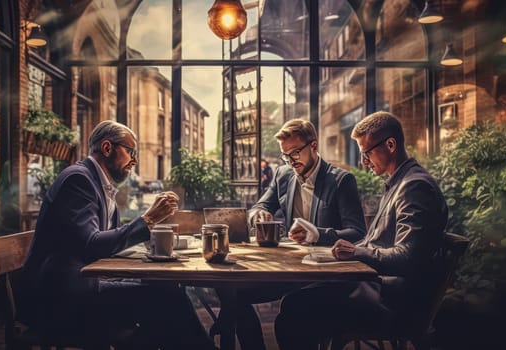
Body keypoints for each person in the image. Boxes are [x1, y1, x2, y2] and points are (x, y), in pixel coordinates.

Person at [23, 120, 216, 349]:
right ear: (107, 148)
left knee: (165, 295)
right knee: (169, 301)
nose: (134, 160)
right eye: (130, 151)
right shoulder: (79, 180)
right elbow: (92, 245)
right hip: (61, 301)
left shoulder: (98, 183)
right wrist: (149, 219)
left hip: (83, 287)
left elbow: (107, 243)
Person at [274, 111, 449, 350]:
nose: (363, 161)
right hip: (378, 290)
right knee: (297, 301)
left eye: (366, 152)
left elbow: (408, 258)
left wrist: (356, 253)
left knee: (295, 308)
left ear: (390, 144)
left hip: (390, 303)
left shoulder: (414, 186)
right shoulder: (401, 182)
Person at [215, 118, 366, 349]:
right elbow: (260, 205)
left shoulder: (341, 181)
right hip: (290, 270)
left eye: (295, 153)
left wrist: (317, 234)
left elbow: (357, 233)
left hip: (325, 275)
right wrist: (258, 215)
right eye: (285, 155)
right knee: (234, 296)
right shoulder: (283, 174)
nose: (290, 161)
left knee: (291, 316)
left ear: (313, 146)